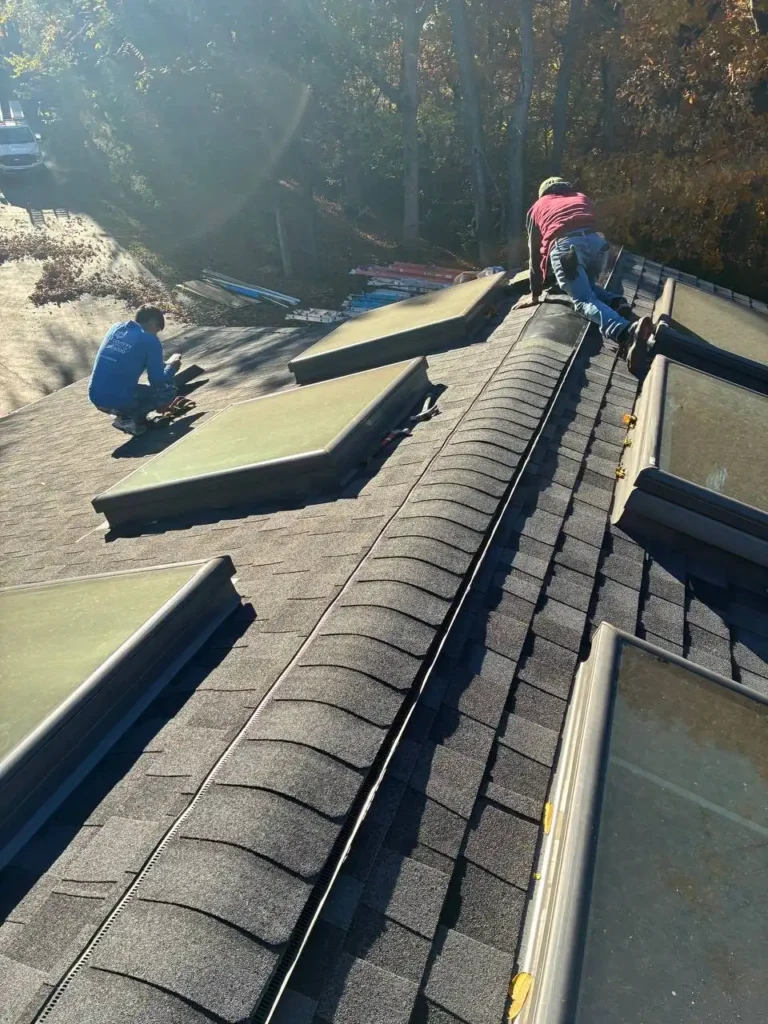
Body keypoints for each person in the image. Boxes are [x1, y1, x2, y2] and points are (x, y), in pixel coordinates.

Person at [516, 177, 653, 374]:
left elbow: (535, 253)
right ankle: (615, 303)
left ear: (543, 194)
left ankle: (626, 332)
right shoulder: (580, 197)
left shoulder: (537, 207)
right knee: (586, 286)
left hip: (566, 248)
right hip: (597, 245)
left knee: (582, 299)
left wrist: (535, 293)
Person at [88, 305, 182, 435]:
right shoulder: (151, 340)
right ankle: (130, 418)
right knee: (168, 389)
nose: (156, 334)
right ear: (152, 323)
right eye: (157, 329)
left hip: (95, 395)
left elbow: (126, 358)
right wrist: (172, 368)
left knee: (128, 388)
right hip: (116, 398)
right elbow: (157, 381)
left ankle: (126, 414)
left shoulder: (115, 328)